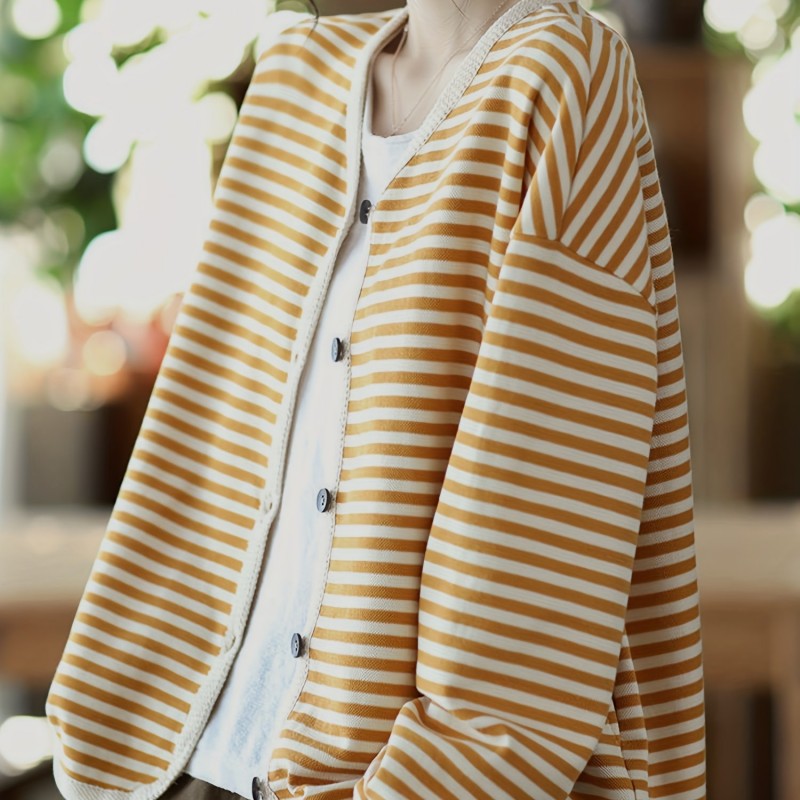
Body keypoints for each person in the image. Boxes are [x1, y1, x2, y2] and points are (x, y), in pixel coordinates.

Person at [46, 1, 707, 799]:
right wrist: (108, 714)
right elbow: (200, 436)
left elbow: (530, 523)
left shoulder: (563, 75)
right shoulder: (296, 74)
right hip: (186, 764)